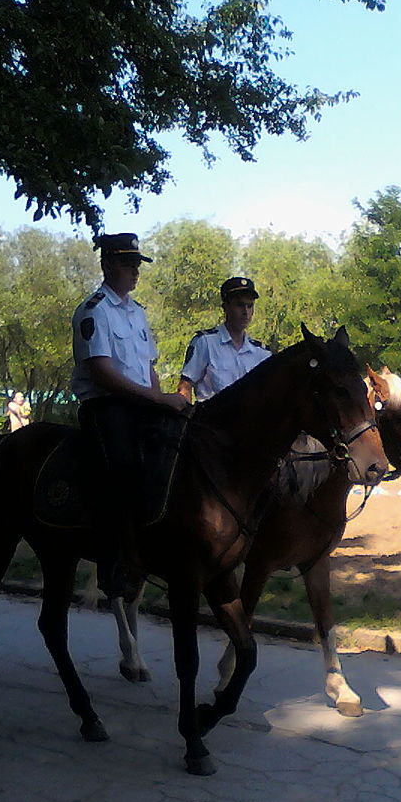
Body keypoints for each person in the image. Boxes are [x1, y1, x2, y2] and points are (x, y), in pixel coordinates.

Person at [71, 232, 189, 595]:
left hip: (141, 404)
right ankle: (114, 560)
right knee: (123, 467)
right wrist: (155, 400)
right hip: (108, 406)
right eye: (128, 263)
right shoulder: (94, 310)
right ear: (107, 265)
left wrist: (161, 398)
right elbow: (102, 372)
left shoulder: (137, 313)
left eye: (137, 264)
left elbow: (148, 367)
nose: (135, 271)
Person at [176, 276, 272, 402]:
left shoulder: (262, 353)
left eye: (250, 306)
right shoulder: (206, 342)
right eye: (240, 305)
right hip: (211, 418)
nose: (246, 312)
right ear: (225, 307)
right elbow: (185, 386)